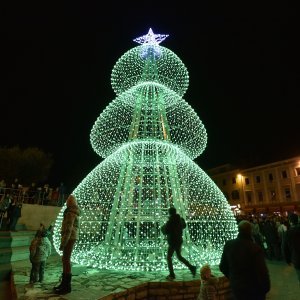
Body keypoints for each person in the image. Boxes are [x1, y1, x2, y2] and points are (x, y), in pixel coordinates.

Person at [219, 220, 270, 300]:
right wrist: (266, 288)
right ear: (250, 231)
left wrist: (233, 278)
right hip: (254, 288)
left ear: (238, 230)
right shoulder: (254, 248)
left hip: (237, 287)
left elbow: (222, 266)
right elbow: (262, 271)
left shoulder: (229, 245)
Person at [53, 194, 80, 294]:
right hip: (71, 237)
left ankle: (66, 286)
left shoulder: (70, 213)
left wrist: (63, 243)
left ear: (70, 202)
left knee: (66, 259)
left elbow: (68, 229)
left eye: (68, 201)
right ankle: (64, 284)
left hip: (70, 238)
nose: (66, 202)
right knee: (65, 259)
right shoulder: (72, 212)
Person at [161, 207, 196, 280]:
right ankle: (191, 267)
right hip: (179, 241)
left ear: (170, 213)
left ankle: (172, 274)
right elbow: (184, 225)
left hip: (173, 241)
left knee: (169, 257)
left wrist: (163, 227)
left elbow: (165, 231)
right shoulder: (179, 220)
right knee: (179, 256)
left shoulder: (170, 221)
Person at [283, 213, 300, 286]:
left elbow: (284, 248)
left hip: (297, 259)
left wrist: (288, 260)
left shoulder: (288, 233)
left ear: (290, 222)